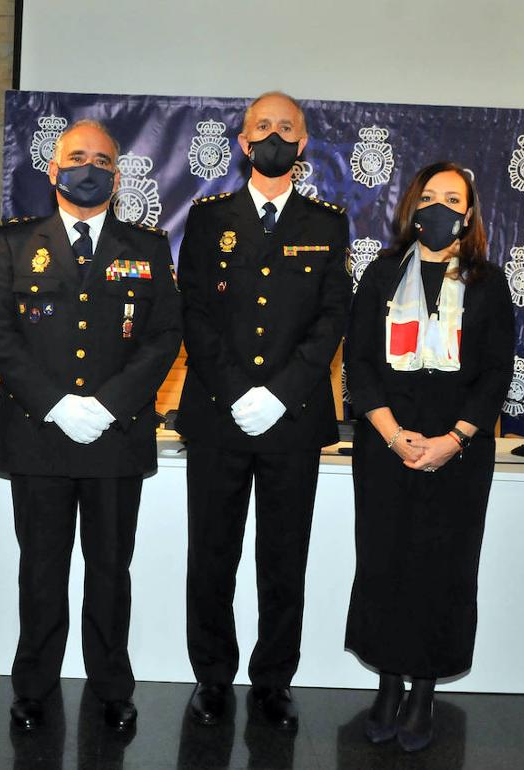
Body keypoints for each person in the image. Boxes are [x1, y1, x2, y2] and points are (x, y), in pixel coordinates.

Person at [0, 119, 181, 733]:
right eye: (76, 157)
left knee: (109, 571)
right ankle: (34, 687)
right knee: (40, 570)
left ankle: (111, 687)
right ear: (52, 169)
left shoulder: (146, 247)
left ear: (117, 178)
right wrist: (55, 404)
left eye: (100, 160)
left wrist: (108, 405)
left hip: (115, 440)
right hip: (39, 436)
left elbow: (164, 336)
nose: (87, 168)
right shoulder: (15, 242)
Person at [176, 91, 351, 731]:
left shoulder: (327, 223)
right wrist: (235, 391)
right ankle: (213, 679)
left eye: (287, 128)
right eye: (262, 127)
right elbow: (193, 310)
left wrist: (280, 392)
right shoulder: (207, 217)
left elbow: (334, 315)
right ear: (243, 142)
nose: (273, 137)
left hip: (294, 415)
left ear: (302, 145)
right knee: (212, 555)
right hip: (219, 414)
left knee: (284, 558)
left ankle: (273, 680)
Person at [343, 161, 514, 752]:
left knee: (443, 570)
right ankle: (388, 682)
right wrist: (393, 435)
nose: (440, 207)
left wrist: (454, 439)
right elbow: (360, 362)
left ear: (468, 214)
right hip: (386, 448)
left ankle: (423, 691)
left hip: (459, 456)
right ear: (412, 206)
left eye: (453, 199)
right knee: (385, 564)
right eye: (431, 196)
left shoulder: (489, 284)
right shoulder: (382, 273)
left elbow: (496, 373)